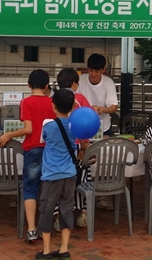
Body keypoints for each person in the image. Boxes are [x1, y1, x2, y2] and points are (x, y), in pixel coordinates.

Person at [0, 69, 56, 243]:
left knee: (30, 189)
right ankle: (47, 228)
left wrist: (9, 135)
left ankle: (31, 229)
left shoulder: (26, 102)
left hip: (33, 150)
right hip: (50, 150)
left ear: (29, 85)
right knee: (48, 190)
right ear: (46, 86)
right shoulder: (52, 103)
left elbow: (28, 129)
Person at [35, 89, 77, 259]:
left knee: (47, 209)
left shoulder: (48, 125)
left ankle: (46, 250)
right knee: (67, 208)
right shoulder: (75, 126)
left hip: (52, 175)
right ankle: (64, 248)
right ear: (72, 106)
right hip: (70, 174)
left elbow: (42, 140)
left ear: (53, 106)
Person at [53, 68, 91, 230]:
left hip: (57, 149)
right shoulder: (80, 99)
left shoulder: (53, 100)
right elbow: (87, 123)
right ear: (74, 84)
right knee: (82, 179)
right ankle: (83, 214)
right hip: (76, 147)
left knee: (57, 183)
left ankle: (57, 217)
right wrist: (84, 144)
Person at [77, 53, 117, 211]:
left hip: (103, 127)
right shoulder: (80, 81)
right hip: (82, 127)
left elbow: (114, 106)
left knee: (104, 162)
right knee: (83, 160)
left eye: (97, 71)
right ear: (87, 68)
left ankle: (102, 195)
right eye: (91, 70)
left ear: (103, 70)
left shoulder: (108, 83)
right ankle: (81, 192)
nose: (93, 74)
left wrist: (103, 109)